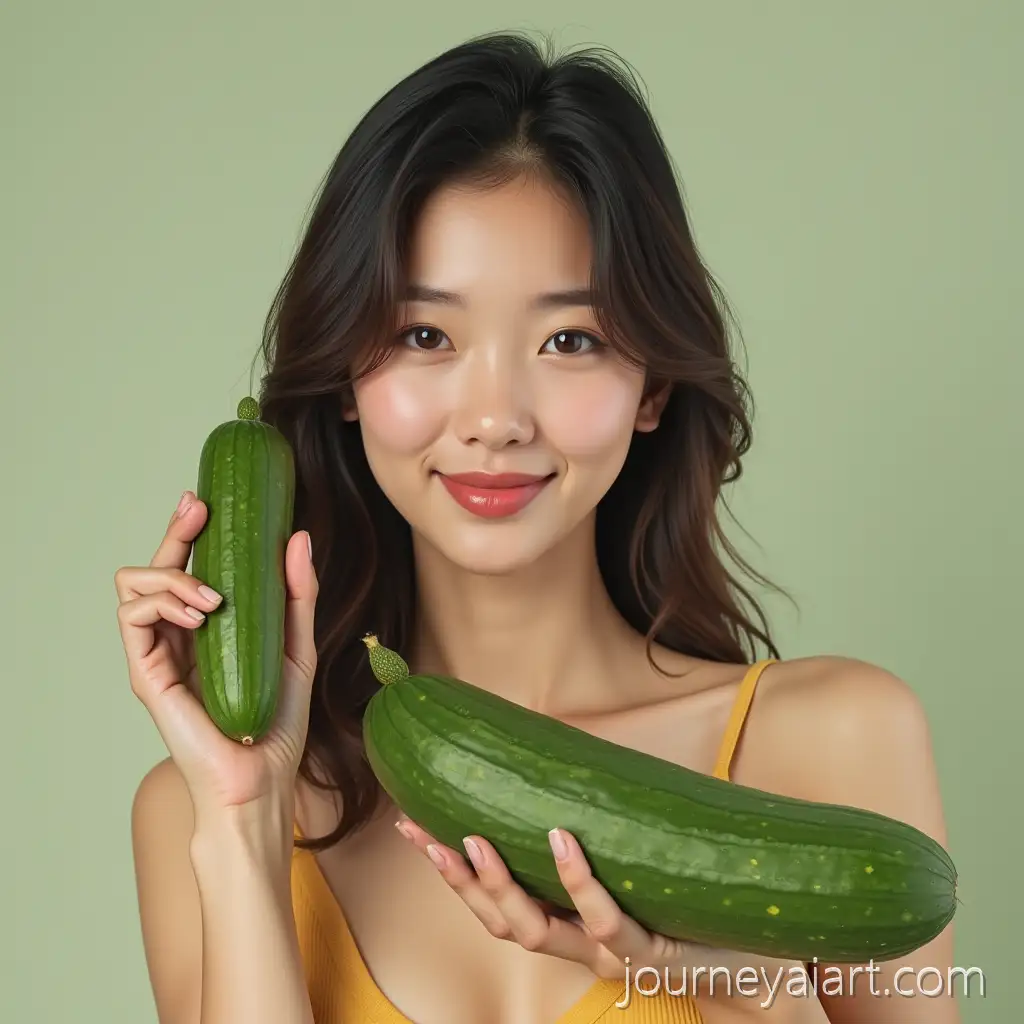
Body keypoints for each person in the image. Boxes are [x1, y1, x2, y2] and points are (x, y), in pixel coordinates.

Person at [117, 30, 959, 1024]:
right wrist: (241, 815)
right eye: (425, 335)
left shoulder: (834, 742)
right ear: (346, 377)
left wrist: (735, 983)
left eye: (571, 338)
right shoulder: (195, 811)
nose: (495, 416)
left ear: (651, 387)